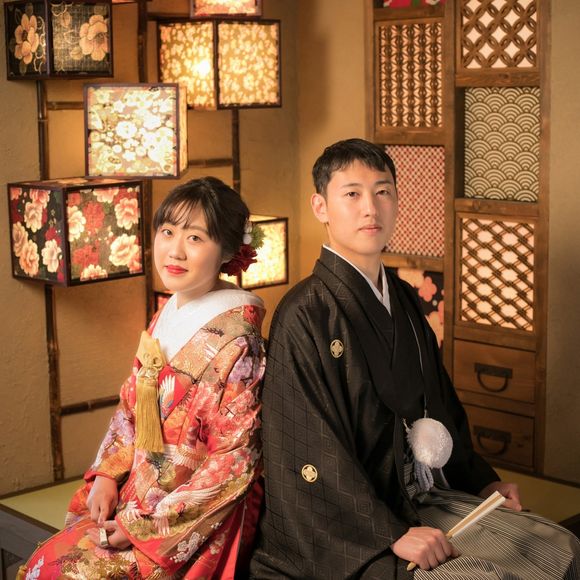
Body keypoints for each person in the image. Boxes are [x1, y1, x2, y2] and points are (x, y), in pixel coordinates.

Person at [250, 138, 580, 579]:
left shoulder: (403, 297)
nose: (370, 208)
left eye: (383, 192)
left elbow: (439, 404)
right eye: (352, 194)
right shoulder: (304, 314)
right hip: (349, 525)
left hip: (417, 496)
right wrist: (388, 533)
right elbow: (308, 447)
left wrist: (481, 480)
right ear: (321, 206)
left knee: (561, 547)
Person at [19, 177, 266, 579]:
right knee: (46, 563)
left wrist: (145, 529)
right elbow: (131, 407)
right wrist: (106, 475)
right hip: (138, 488)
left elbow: (236, 460)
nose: (175, 250)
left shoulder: (239, 342)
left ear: (227, 250)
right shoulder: (168, 312)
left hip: (188, 518)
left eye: (195, 238)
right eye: (167, 232)